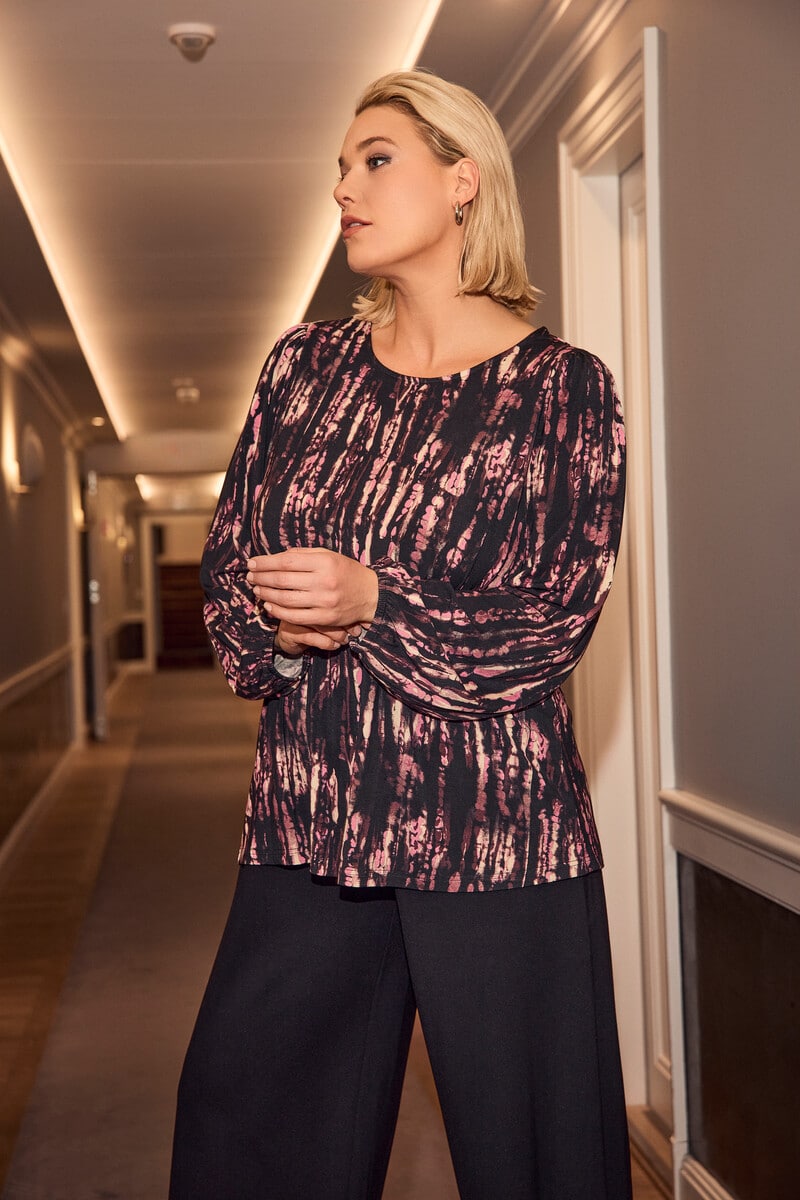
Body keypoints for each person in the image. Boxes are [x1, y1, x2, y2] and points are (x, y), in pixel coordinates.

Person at [169, 69, 630, 1200]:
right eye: (340, 168)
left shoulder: (563, 392)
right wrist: (285, 633)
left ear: (463, 179)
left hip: (496, 829)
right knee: (246, 1127)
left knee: (534, 1157)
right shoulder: (303, 369)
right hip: (310, 818)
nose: (344, 188)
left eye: (375, 160)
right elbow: (227, 574)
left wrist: (377, 601)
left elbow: (552, 620)